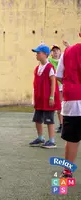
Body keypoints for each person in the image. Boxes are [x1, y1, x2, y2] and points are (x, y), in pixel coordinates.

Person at [56, 37, 81, 178]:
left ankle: (67, 171)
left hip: (72, 102)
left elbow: (59, 75)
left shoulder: (68, 52)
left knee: (71, 139)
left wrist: (72, 83)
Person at [29, 45, 61, 149]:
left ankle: (52, 141)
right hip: (39, 99)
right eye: (36, 53)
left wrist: (52, 97)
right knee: (37, 119)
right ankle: (40, 138)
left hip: (48, 99)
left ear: (45, 54)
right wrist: (34, 98)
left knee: (49, 119)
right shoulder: (37, 68)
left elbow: (53, 83)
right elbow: (35, 84)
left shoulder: (49, 67)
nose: (36, 55)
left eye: (38, 53)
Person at [49, 45, 63, 133]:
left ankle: (65, 125)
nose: (55, 52)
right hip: (56, 87)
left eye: (57, 50)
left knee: (65, 106)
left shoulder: (63, 60)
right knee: (59, 107)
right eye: (53, 51)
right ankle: (61, 125)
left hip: (64, 86)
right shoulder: (49, 61)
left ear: (60, 52)